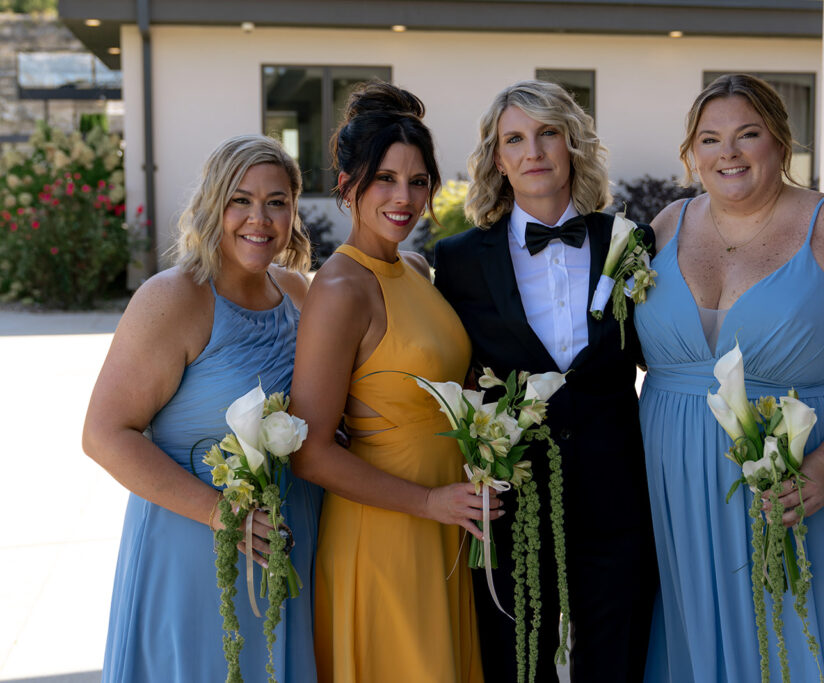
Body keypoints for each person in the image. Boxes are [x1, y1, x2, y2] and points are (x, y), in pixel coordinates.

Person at [636, 73, 824, 682]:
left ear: (780, 141)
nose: (728, 153)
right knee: (699, 638)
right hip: (680, 484)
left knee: (811, 641)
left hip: (809, 479)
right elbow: (645, 354)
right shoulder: (667, 224)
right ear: (691, 152)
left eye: (747, 134)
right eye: (710, 139)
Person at [433, 79, 658, 683]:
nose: (533, 151)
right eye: (515, 139)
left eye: (548, 133)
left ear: (572, 144)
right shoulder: (458, 261)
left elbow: (663, 355)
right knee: (516, 665)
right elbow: (450, 373)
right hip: (512, 503)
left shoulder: (630, 244)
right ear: (497, 159)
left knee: (616, 662)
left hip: (618, 497)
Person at [82, 135, 322, 682]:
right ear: (214, 205)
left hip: (290, 542)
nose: (259, 218)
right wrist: (224, 516)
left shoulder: (297, 292)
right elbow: (104, 433)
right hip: (197, 548)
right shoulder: (174, 297)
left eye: (277, 201)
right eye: (241, 200)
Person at [288, 81, 489, 683]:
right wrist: (428, 503)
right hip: (386, 530)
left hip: (448, 523)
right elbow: (310, 452)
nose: (405, 197)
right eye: (385, 179)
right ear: (347, 185)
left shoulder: (417, 268)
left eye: (418, 181)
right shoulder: (339, 288)